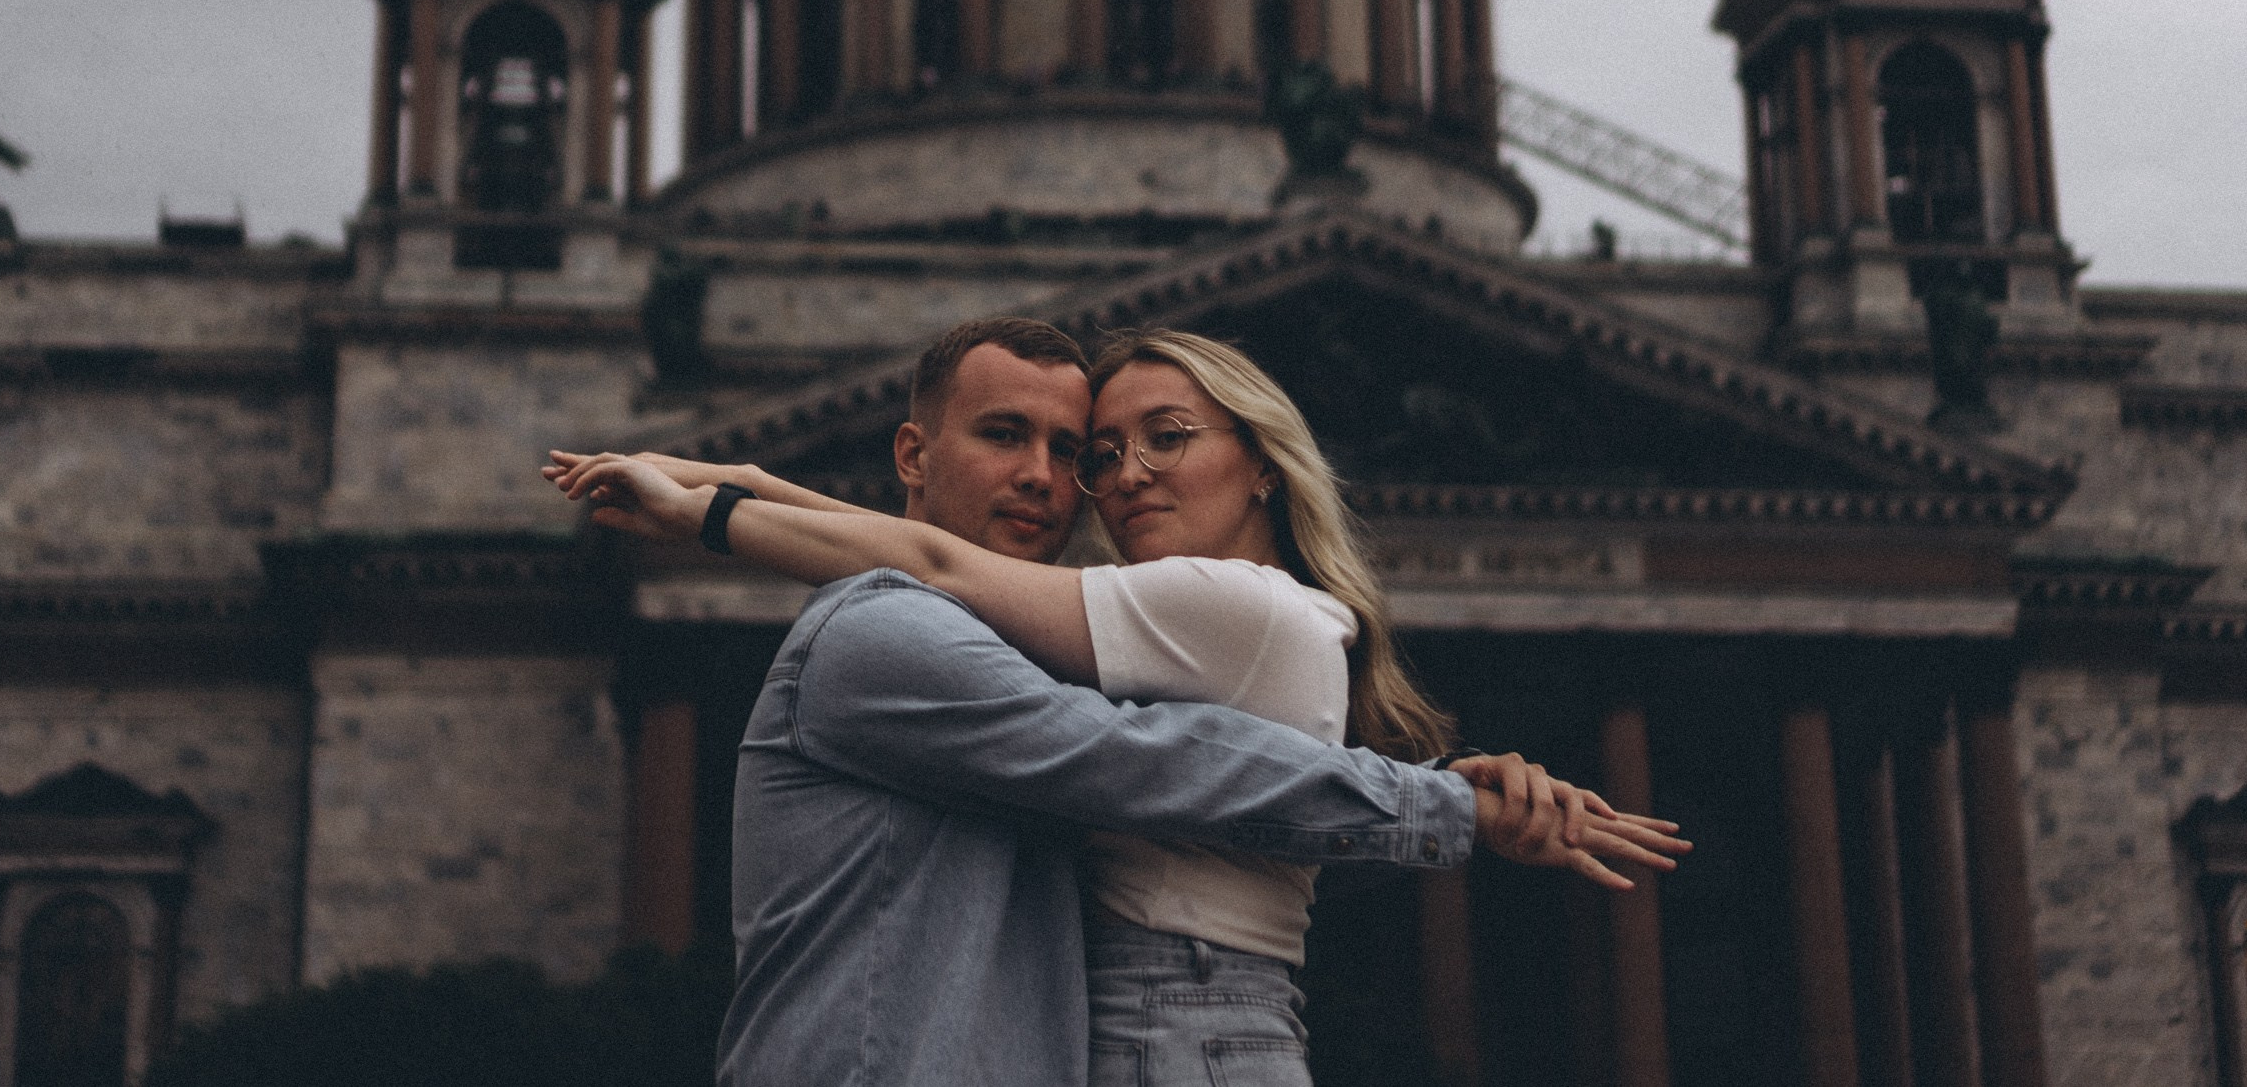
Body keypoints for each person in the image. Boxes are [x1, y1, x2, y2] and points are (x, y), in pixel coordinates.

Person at [550, 318, 1684, 1087]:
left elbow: (949, 577)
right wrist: (1448, 806)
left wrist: (711, 501)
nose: (1081, 477)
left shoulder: (1212, 606)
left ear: (1264, 464)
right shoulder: (885, 631)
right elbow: (1114, 741)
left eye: (1150, 439)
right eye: (1036, 441)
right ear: (912, 453)